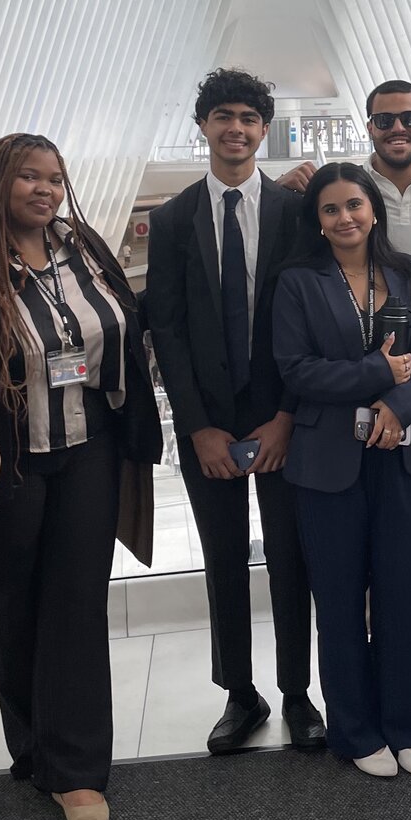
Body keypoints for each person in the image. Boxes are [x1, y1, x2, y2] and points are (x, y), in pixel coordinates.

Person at [0, 133, 163, 820]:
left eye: (54, 178)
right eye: (28, 178)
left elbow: (123, 326)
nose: (45, 190)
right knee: (12, 601)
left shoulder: (83, 245)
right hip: (8, 452)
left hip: (89, 446)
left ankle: (75, 771)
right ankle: (32, 749)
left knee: (76, 603)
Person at [146, 68, 324, 754]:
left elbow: (307, 319)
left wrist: (284, 416)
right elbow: (167, 326)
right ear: (204, 127)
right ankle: (240, 695)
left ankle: (297, 693)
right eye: (223, 116)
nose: (237, 129)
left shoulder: (292, 211)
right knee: (222, 556)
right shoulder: (171, 218)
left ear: (262, 129)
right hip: (209, 424)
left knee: (291, 556)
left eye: (249, 118)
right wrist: (196, 427)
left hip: (282, 417)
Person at [273, 162, 411, 777]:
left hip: (402, 450)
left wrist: (398, 405)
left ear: (373, 210)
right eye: (331, 209)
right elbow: (296, 371)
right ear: (318, 222)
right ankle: (353, 730)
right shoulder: (297, 282)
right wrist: (377, 375)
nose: (345, 217)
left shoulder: (409, 273)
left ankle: (408, 722)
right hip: (327, 461)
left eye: (354, 204)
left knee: (405, 593)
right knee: (340, 598)